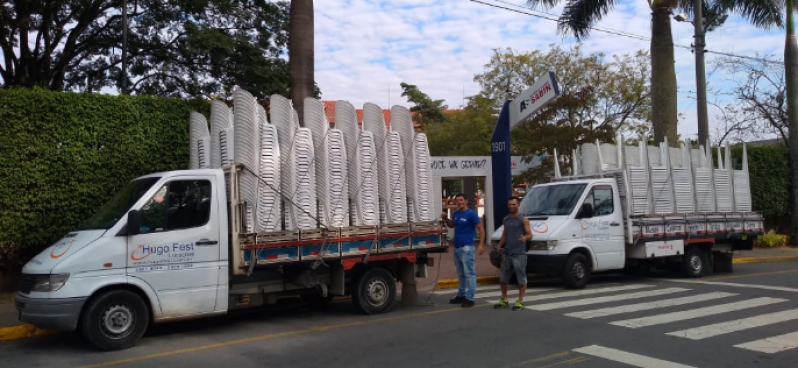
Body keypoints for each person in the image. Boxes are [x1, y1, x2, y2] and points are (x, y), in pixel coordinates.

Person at [441, 193, 485, 307]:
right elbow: (451, 225)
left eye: (461, 200)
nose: (459, 202)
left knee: (470, 273)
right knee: (461, 274)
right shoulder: (456, 214)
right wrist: (446, 219)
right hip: (457, 248)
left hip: (467, 248)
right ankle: (461, 295)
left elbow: (481, 229)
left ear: (466, 201)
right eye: (457, 201)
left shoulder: (471, 214)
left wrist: (481, 245)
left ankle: (470, 298)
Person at [494, 196, 532, 311]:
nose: (511, 206)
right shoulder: (506, 219)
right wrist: (499, 245)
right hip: (507, 254)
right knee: (503, 279)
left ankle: (520, 301)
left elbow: (530, 235)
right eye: (510, 204)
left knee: (521, 279)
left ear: (518, 205)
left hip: (519, 254)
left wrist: (525, 238)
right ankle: (504, 299)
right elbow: (504, 234)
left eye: (514, 204)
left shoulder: (523, 219)